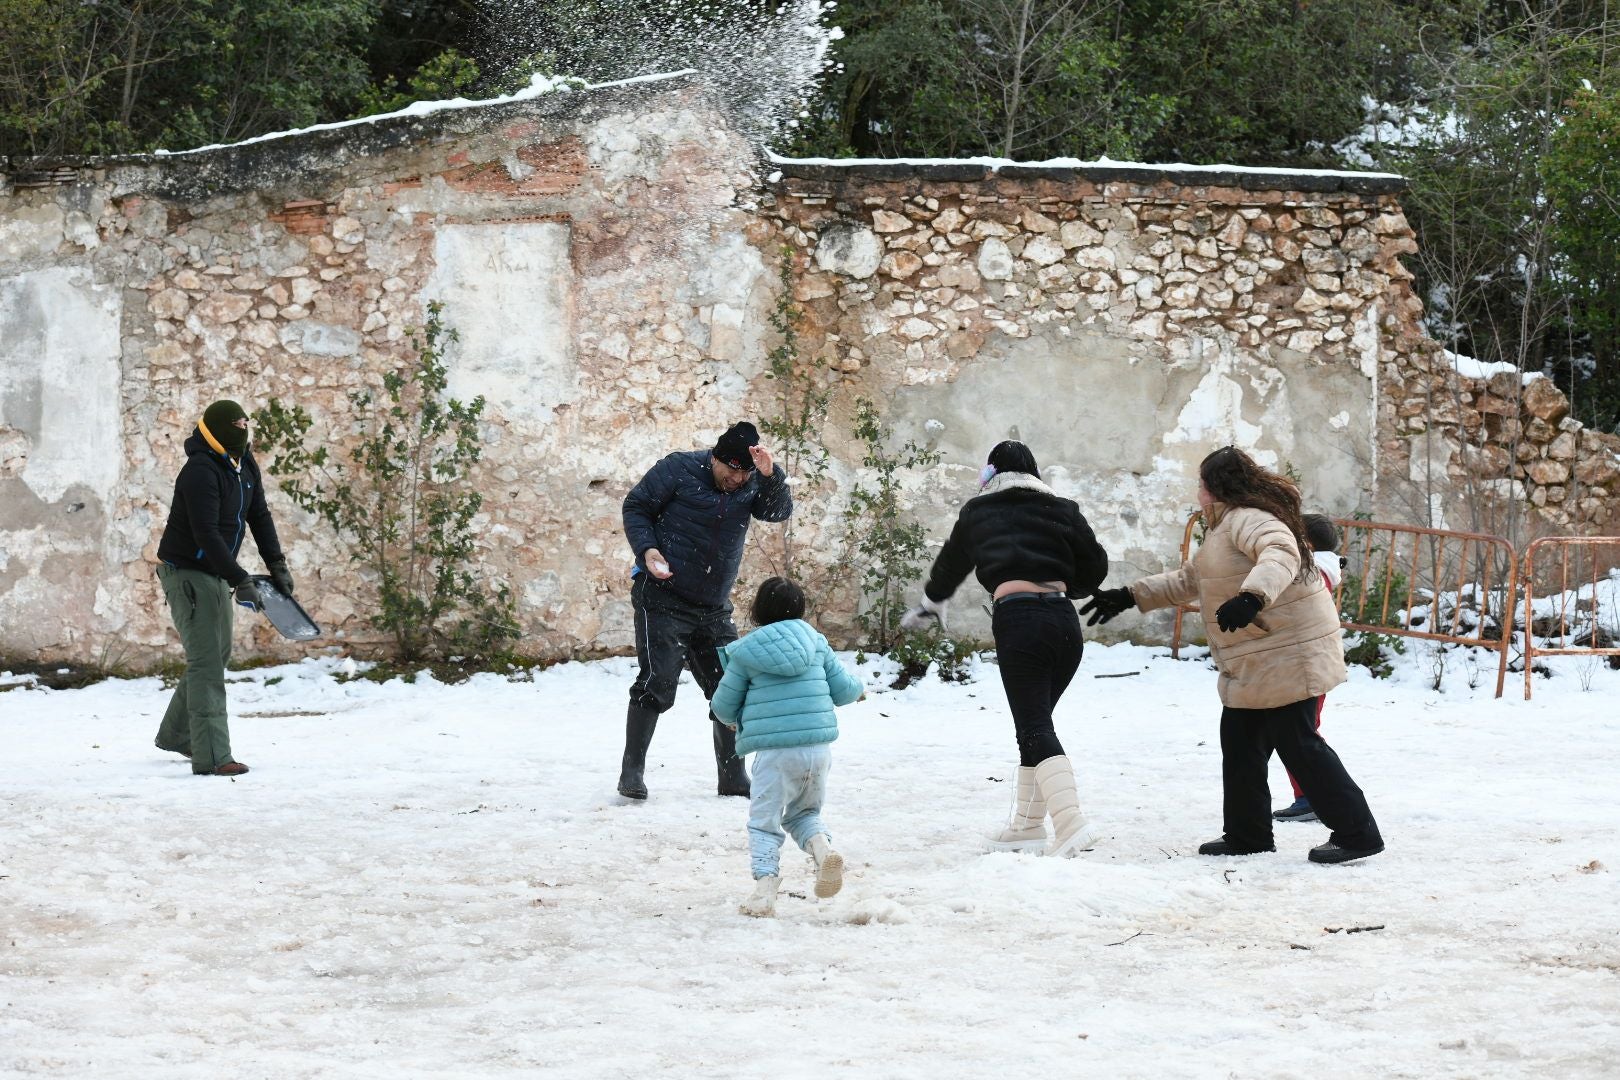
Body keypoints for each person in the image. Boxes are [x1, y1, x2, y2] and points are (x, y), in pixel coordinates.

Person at [1082, 447, 1384, 864]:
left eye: (1201, 483)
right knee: (1240, 743)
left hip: (1289, 652)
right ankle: (1248, 834)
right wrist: (1131, 595)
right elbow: (1194, 578)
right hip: (1259, 659)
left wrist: (1251, 597)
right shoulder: (1225, 526)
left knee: (1299, 745)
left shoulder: (1251, 519)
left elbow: (1280, 554)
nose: (1198, 490)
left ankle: (1358, 834)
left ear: (1214, 486)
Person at [899, 440, 1109, 857]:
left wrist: (930, 602)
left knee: (1034, 726)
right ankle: (1027, 827)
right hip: (1065, 625)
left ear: (990, 474)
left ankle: (1070, 825)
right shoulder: (1062, 509)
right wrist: (1069, 583)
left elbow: (950, 566)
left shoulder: (979, 511)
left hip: (1020, 621)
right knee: (1033, 723)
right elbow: (1094, 568)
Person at [617, 421, 793, 800]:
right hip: (663, 595)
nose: (736, 479)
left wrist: (770, 475)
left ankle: (732, 777)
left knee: (730, 687)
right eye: (731, 470)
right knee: (658, 682)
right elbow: (636, 506)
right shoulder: (678, 469)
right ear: (715, 459)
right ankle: (631, 772)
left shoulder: (753, 480)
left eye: (744, 472)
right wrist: (647, 549)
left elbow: (777, 512)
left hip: (713, 606)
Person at [153, 399, 295, 776]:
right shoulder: (200, 471)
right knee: (206, 664)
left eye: (244, 426)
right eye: (235, 427)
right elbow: (206, 533)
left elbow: (259, 516)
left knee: (217, 655)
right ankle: (214, 755)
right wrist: (240, 578)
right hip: (186, 572)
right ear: (215, 433)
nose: (242, 433)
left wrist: (276, 564)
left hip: (214, 571)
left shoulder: (244, 463)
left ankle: (178, 735)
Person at [712, 577, 864, 917]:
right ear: (801, 609)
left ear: (758, 612)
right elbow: (843, 689)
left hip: (775, 752)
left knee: (764, 821)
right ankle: (823, 851)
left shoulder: (746, 652)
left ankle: (765, 891)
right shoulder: (816, 641)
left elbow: (722, 705)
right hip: (818, 748)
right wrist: (860, 689)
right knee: (805, 813)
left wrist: (734, 716)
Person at [1273, 513, 1346, 823]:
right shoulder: (1316, 570)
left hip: (1308, 664)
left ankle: (1314, 797)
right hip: (1303, 662)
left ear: (1307, 543)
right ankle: (1311, 796)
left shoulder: (1312, 573)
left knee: (1302, 735)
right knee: (1297, 733)